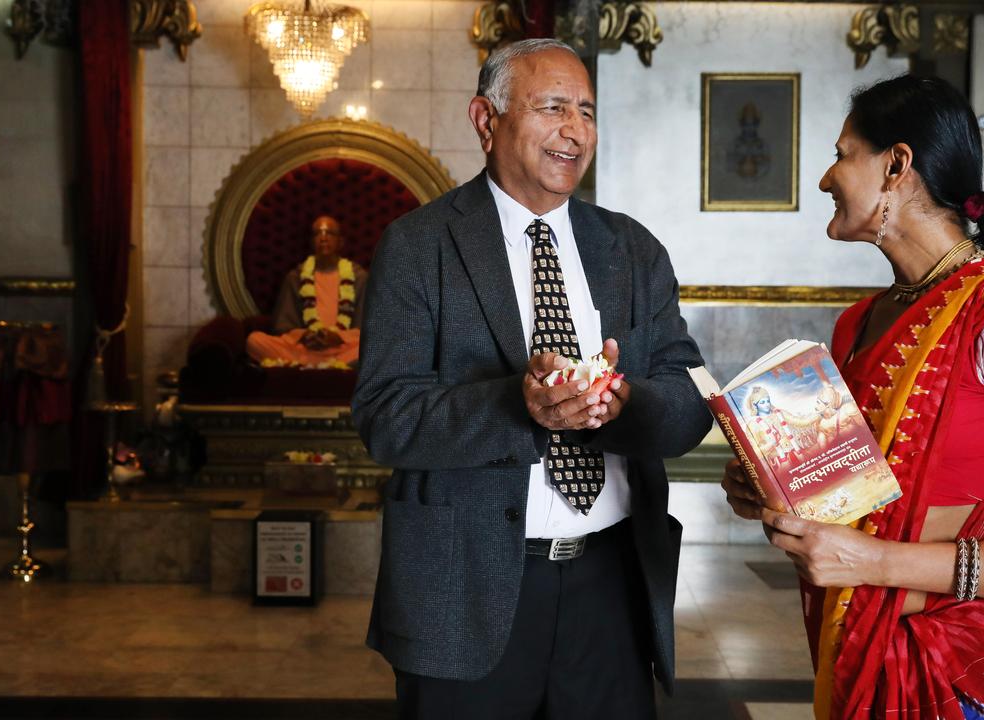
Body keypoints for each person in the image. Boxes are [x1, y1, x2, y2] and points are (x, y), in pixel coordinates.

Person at [720, 75, 984, 719]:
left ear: (897, 165)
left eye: (842, 155)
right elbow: (863, 494)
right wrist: (774, 482)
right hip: (880, 656)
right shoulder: (857, 324)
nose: (824, 178)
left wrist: (876, 561)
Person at [352, 38, 711, 719]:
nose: (575, 131)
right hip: (466, 590)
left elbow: (689, 398)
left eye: (586, 111)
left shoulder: (631, 249)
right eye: (552, 108)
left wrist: (626, 400)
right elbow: (384, 415)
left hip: (612, 588)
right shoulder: (418, 246)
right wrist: (521, 406)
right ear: (486, 120)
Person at [245, 215, 367, 367]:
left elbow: (368, 327)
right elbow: (282, 327)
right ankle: (328, 364)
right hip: (303, 349)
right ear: (311, 242)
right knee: (254, 340)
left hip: (344, 348)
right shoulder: (295, 277)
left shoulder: (359, 277)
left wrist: (340, 337)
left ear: (340, 242)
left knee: (380, 344)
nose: (323, 238)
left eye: (329, 233)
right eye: (318, 233)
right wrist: (304, 336)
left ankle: (311, 365)